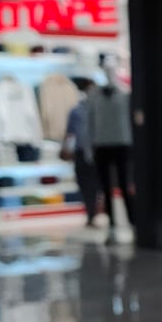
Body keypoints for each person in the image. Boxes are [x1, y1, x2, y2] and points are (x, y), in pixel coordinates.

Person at [88, 73, 135, 241]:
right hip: (102, 144)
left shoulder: (124, 95)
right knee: (105, 186)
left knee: (125, 184)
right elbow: (90, 122)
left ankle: (132, 221)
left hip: (122, 143)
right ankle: (112, 223)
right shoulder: (94, 97)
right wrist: (90, 146)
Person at [61, 77, 100, 230]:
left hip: (95, 151)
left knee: (93, 184)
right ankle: (91, 214)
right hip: (82, 151)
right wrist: (67, 149)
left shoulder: (95, 108)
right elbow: (71, 133)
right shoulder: (76, 111)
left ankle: (92, 214)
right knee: (85, 184)